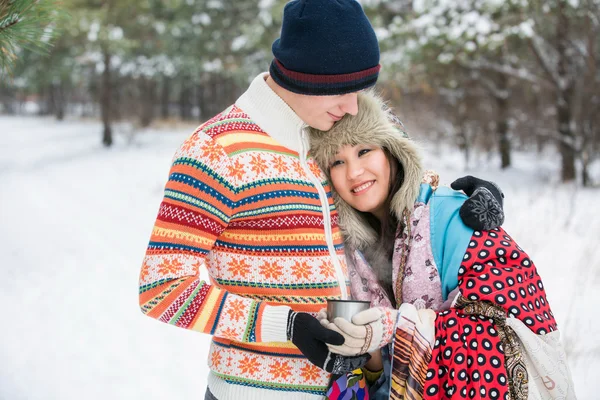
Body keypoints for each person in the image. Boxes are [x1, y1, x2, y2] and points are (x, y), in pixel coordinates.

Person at [138, 1, 506, 400]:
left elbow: (394, 186)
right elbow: (162, 288)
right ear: (305, 77)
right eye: (344, 91)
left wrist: (456, 204)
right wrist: (286, 325)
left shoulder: (328, 128)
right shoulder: (215, 152)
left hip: (351, 388)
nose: (353, 106)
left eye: (361, 91)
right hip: (258, 392)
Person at [309, 91, 576, 400]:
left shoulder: (453, 217)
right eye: (337, 161)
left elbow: (508, 322)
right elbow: (367, 370)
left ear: (394, 153)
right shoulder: (338, 248)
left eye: (365, 150)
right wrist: (364, 355)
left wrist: (394, 328)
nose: (354, 172)